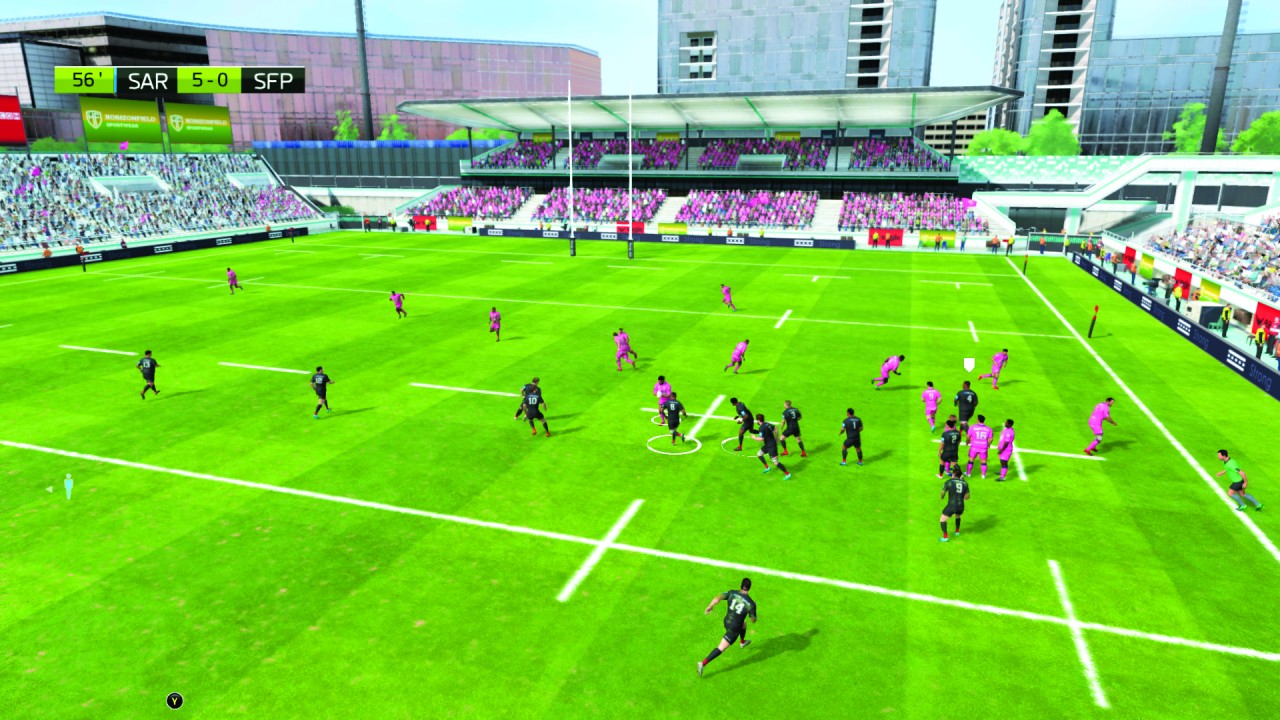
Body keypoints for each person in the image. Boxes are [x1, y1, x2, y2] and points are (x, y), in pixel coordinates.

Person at [697, 578, 757, 677]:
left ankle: (742, 642)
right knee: (721, 647)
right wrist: (755, 606)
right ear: (749, 588)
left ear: (741, 585)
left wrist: (710, 606)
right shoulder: (750, 603)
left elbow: (718, 598)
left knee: (744, 624)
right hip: (734, 629)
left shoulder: (732, 592)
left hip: (726, 621)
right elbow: (753, 620)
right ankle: (702, 663)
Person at [755, 414, 792, 479]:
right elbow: (775, 428)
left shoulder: (761, 428)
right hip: (768, 445)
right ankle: (767, 467)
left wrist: (754, 437)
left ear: (758, 420)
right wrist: (776, 437)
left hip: (771, 446)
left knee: (775, 462)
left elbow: (761, 439)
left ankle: (787, 474)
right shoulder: (767, 424)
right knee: (759, 454)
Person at [939, 465, 970, 543]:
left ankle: (945, 537)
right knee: (957, 516)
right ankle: (957, 531)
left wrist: (942, 497)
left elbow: (943, 492)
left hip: (952, 505)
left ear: (953, 474)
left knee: (942, 519)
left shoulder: (949, 482)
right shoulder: (965, 484)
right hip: (961, 506)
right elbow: (967, 497)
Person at [965, 414, 994, 479]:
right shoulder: (988, 429)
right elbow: (991, 438)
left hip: (974, 446)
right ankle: (983, 475)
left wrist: (967, 442)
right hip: (983, 447)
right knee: (983, 462)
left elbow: (968, 436)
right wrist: (988, 444)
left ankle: (968, 473)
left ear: (978, 420)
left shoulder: (973, 427)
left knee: (971, 460)